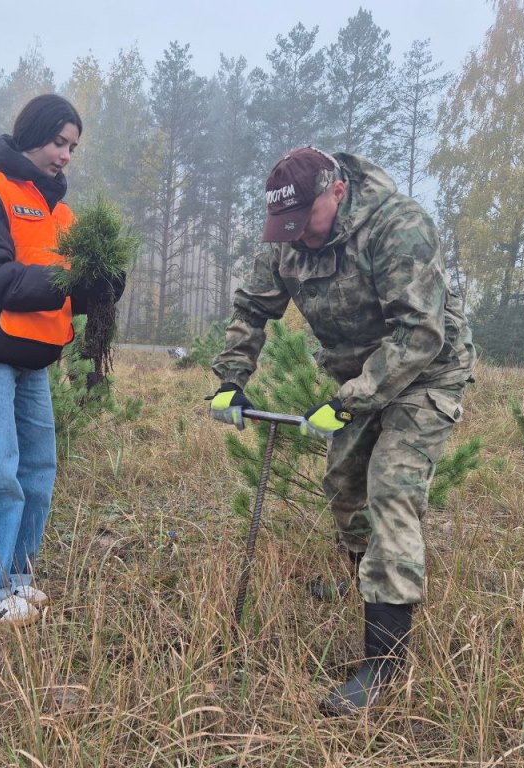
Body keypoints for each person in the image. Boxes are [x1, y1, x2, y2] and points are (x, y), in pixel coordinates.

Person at [209, 147, 475, 715]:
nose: (297, 236)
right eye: (286, 226)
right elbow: (252, 308)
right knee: (344, 488)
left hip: (426, 374)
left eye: (306, 221)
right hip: (358, 377)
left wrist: (348, 400)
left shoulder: (398, 227)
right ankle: (366, 585)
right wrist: (231, 378)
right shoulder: (289, 236)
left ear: (335, 192)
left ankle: (383, 663)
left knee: (390, 491)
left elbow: (420, 334)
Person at [0, 94, 123, 626]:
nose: (66, 156)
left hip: (34, 357)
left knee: (37, 469)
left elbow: (70, 295)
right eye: (59, 142)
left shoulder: (61, 213)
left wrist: (103, 285)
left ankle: (18, 576)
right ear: (32, 134)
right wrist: (67, 278)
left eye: (73, 147)